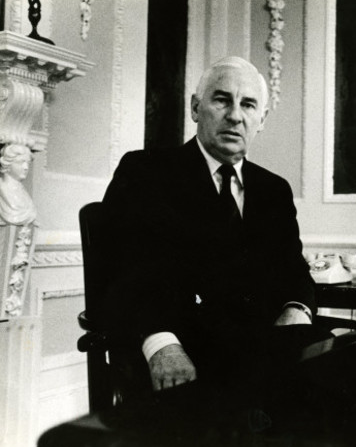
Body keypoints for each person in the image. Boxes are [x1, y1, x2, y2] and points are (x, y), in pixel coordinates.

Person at [99, 57, 327, 405]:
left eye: (248, 105)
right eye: (222, 100)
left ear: (261, 120)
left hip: (263, 358)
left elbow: (293, 271)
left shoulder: (273, 190)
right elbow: (121, 273)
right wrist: (160, 342)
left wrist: (297, 310)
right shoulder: (146, 173)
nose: (235, 115)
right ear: (195, 107)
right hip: (183, 357)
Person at [0, 144, 37, 225]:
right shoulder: (2, 189)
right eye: (20, 162)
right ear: (7, 164)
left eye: (28, 163)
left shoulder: (22, 191)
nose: (26, 167)